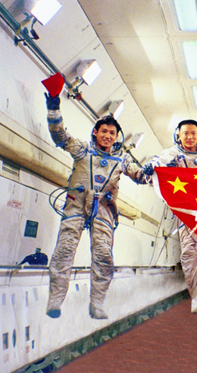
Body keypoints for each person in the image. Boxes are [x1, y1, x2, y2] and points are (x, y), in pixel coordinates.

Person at [123, 119, 197, 314]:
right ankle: (196, 295)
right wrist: (150, 166)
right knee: (189, 256)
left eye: (193, 133)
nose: (190, 137)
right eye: (185, 133)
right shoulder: (172, 155)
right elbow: (157, 162)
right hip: (187, 214)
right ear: (179, 135)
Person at [44, 90, 124, 320]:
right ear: (95, 132)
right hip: (76, 207)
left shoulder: (120, 162)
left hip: (103, 210)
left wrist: (154, 169)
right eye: (104, 131)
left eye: (112, 133)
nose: (108, 136)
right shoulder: (82, 150)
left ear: (116, 137)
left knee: (104, 256)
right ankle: (55, 300)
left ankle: (97, 304)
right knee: (64, 250)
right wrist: (53, 107)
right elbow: (60, 136)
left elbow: (141, 175)